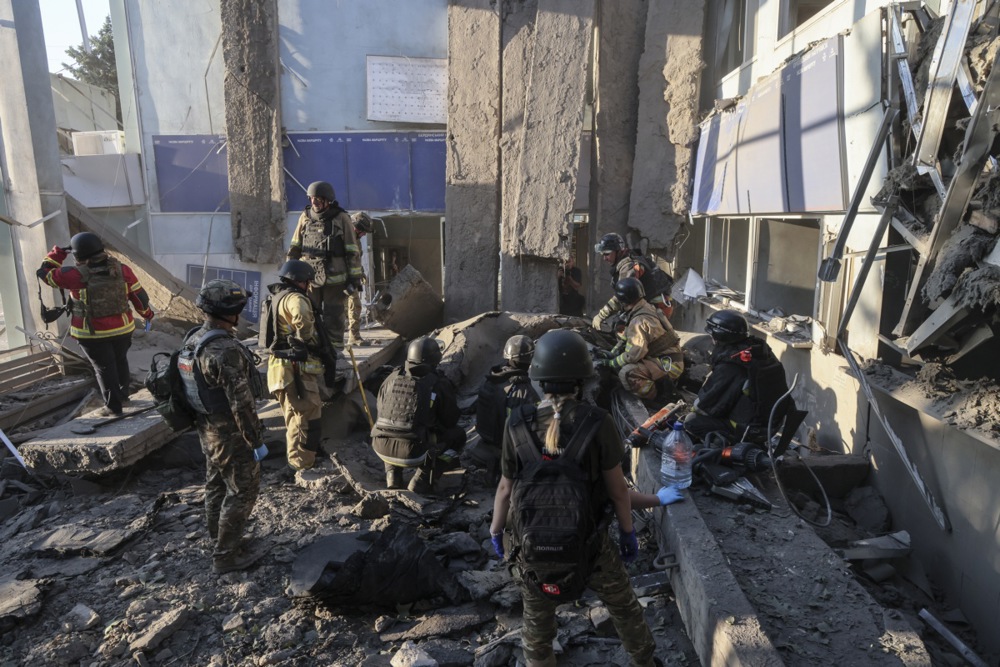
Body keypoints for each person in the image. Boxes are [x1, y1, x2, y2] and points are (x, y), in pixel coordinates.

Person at [489, 329, 659, 667]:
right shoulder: (599, 423)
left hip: (532, 548)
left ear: (536, 378)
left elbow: (506, 490)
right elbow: (618, 492)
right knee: (623, 607)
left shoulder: (517, 423)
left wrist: (496, 533)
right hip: (591, 546)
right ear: (583, 381)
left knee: (536, 625)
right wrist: (627, 534)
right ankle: (645, 662)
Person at [181, 280, 267, 574]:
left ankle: (220, 540)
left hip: (207, 429)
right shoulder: (224, 349)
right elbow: (242, 404)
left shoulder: (194, 339)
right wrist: (255, 440)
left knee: (216, 485)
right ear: (232, 311)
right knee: (242, 491)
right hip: (232, 434)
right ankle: (226, 556)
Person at [37, 232, 154, 416]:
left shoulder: (73, 275)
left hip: (91, 334)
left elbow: (44, 273)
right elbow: (139, 296)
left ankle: (113, 408)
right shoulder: (123, 270)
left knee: (104, 369)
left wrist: (58, 253)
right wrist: (147, 314)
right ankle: (123, 397)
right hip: (123, 329)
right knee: (120, 361)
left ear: (77, 256)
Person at [370, 336, 466, 494]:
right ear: (435, 359)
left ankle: (392, 476)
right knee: (458, 437)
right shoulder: (438, 383)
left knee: (394, 426)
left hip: (380, 447)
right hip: (413, 452)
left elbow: (382, 411)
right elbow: (450, 420)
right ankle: (422, 479)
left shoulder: (390, 378)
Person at [685, 309, 789, 445]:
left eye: (712, 335)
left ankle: (723, 446)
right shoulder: (759, 352)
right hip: (770, 424)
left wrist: (691, 409)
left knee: (691, 421)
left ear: (718, 336)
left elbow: (708, 406)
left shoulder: (732, 365)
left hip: (750, 429)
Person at [265, 260, 331, 471]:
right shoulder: (294, 297)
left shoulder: (277, 297)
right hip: (294, 369)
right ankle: (301, 465)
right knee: (304, 417)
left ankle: (301, 460)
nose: (309, 286)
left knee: (296, 417)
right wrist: (303, 341)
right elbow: (302, 316)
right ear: (300, 281)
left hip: (282, 369)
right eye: (308, 282)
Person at [286, 181, 362, 353]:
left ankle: (335, 353)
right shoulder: (305, 217)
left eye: (318, 200)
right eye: (312, 199)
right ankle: (312, 349)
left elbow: (352, 250)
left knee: (334, 316)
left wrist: (354, 278)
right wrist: (289, 275)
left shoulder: (341, 218)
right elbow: (295, 247)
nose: (314, 203)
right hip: (310, 280)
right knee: (309, 314)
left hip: (335, 281)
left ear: (328, 201)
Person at [594, 278, 684, 403]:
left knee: (627, 373)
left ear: (624, 301)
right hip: (667, 358)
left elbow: (633, 355)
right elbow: (626, 339)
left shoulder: (639, 321)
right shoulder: (644, 307)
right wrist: (612, 353)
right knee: (623, 362)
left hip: (669, 365)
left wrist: (611, 363)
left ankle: (659, 395)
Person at [473, 335, 540, 483]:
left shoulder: (492, 379)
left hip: (486, 439)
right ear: (530, 359)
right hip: (506, 447)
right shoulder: (524, 390)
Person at [591, 232, 672, 331]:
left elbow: (624, 294)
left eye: (607, 254)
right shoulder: (626, 261)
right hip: (651, 305)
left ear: (618, 251)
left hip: (657, 307)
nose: (604, 258)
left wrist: (601, 315)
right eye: (602, 254)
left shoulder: (628, 266)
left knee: (630, 331)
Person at [346, 212, 374, 347]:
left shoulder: (356, 240)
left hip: (352, 279)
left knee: (353, 306)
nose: (363, 235)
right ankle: (352, 337)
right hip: (342, 280)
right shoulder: (344, 237)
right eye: (362, 231)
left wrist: (361, 273)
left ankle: (353, 336)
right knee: (352, 306)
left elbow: (356, 260)